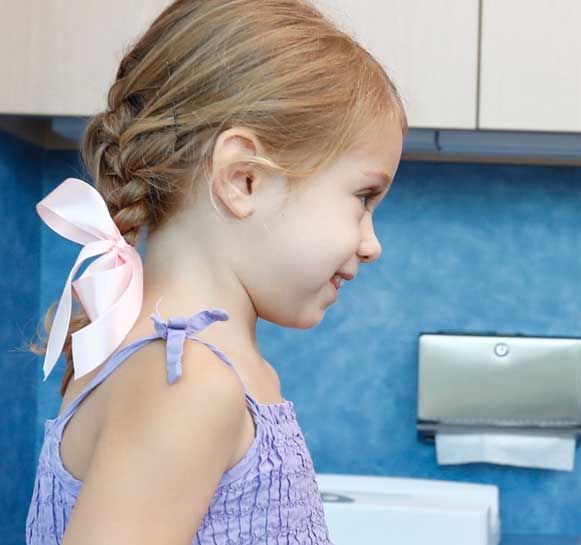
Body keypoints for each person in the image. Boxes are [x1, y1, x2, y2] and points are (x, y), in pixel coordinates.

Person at [25, 1, 405, 543]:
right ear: (243, 179)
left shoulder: (188, 367)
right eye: (363, 198)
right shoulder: (184, 381)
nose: (372, 245)